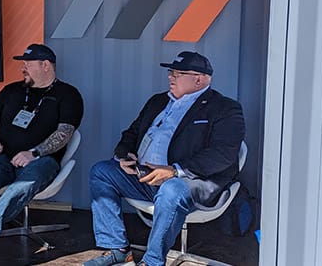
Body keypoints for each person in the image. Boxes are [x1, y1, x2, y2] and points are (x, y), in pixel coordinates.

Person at [84, 51, 245, 266]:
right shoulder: (158, 101)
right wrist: (124, 155)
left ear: (199, 79)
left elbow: (223, 155)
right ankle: (118, 249)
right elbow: (131, 133)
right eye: (171, 72)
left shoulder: (224, 108)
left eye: (178, 73)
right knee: (101, 171)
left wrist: (173, 170)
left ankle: (152, 262)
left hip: (191, 182)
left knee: (171, 190)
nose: (171, 77)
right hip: (145, 177)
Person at [0, 43, 84, 266]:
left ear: (45, 65)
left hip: (42, 161)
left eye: (28, 63)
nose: (22, 68)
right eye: (23, 64)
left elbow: (64, 134)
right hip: (3, 156)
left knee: (27, 180)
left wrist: (34, 153)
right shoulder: (11, 90)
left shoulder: (69, 95)